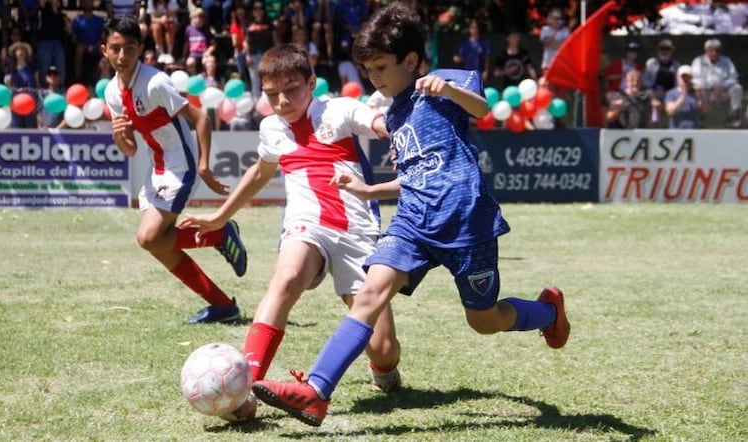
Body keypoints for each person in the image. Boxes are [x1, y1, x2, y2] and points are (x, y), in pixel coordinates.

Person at [251, 3, 571, 427]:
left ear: (413, 61)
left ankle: (548, 312)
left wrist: (448, 90)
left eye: (381, 67)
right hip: (413, 221)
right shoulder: (396, 112)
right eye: (368, 70)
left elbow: (482, 110)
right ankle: (316, 390)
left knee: (484, 320)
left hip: (466, 222)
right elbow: (415, 176)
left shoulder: (449, 83)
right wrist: (369, 190)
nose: (374, 78)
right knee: (369, 295)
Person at [180, 43, 401, 421]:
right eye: (270, 94)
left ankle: (385, 371)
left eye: (291, 90)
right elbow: (259, 173)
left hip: (357, 231)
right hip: (306, 226)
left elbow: (383, 124)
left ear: (312, 83)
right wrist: (218, 217)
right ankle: (244, 390)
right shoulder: (271, 128)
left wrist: (398, 139)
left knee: (382, 348)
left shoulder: (339, 110)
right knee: (286, 277)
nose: (281, 101)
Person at [101, 16, 249, 324]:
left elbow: (202, 120)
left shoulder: (154, 82)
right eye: (115, 48)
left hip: (181, 166)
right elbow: (130, 149)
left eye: (129, 48)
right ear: (105, 50)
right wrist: (119, 137)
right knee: (157, 244)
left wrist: (206, 166)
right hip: (157, 168)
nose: (122, 56)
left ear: (140, 48)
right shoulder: (112, 93)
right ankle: (222, 305)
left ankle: (219, 233)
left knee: (149, 238)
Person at [691, 38, 744, 128]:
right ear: (706, 50)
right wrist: (711, 87)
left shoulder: (726, 61)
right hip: (706, 91)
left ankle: (733, 117)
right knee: (698, 88)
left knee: (737, 88)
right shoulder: (698, 61)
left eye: (717, 50)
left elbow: (734, 77)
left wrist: (723, 86)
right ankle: (700, 118)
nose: (714, 53)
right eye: (711, 50)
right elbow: (695, 79)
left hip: (723, 92)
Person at [452, 18, 491, 84]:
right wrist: (457, 59)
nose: (474, 30)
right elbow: (462, 58)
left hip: (480, 73)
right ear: (469, 29)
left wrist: (486, 71)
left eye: (476, 28)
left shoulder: (484, 43)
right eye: (472, 28)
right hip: (467, 74)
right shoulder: (464, 44)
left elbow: (487, 58)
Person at [665, 64, 701, 129]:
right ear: (677, 77)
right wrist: (683, 95)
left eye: (687, 77)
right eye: (683, 77)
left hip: (694, 132)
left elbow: (704, 110)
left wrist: (700, 96)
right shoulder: (671, 93)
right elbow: (670, 112)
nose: (685, 80)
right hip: (676, 131)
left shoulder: (695, 93)